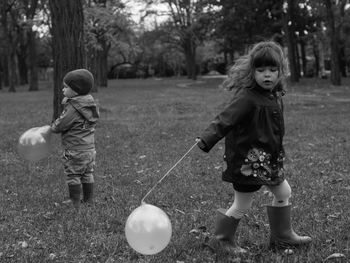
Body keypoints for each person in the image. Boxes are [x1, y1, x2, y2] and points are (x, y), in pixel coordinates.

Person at [196, 41, 312, 253]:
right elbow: (225, 118)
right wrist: (207, 138)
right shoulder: (247, 97)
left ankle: (282, 236)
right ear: (252, 72)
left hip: (269, 160)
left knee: (284, 191)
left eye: (272, 70)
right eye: (261, 70)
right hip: (247, 161)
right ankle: (221, 240)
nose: (267, 75)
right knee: (242, 203)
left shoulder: (274, 95)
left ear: (280, 71)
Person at [49, 69, 99, 209]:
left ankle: (74, 200)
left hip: (74, 149)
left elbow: (62, 124)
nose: (63, 89)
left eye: (66, 87)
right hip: (89, 149)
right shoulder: (89, 103)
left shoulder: (74, 107)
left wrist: (53, 127)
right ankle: (88, 199)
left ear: (75, 91)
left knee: (73, 174)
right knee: (87, 173)